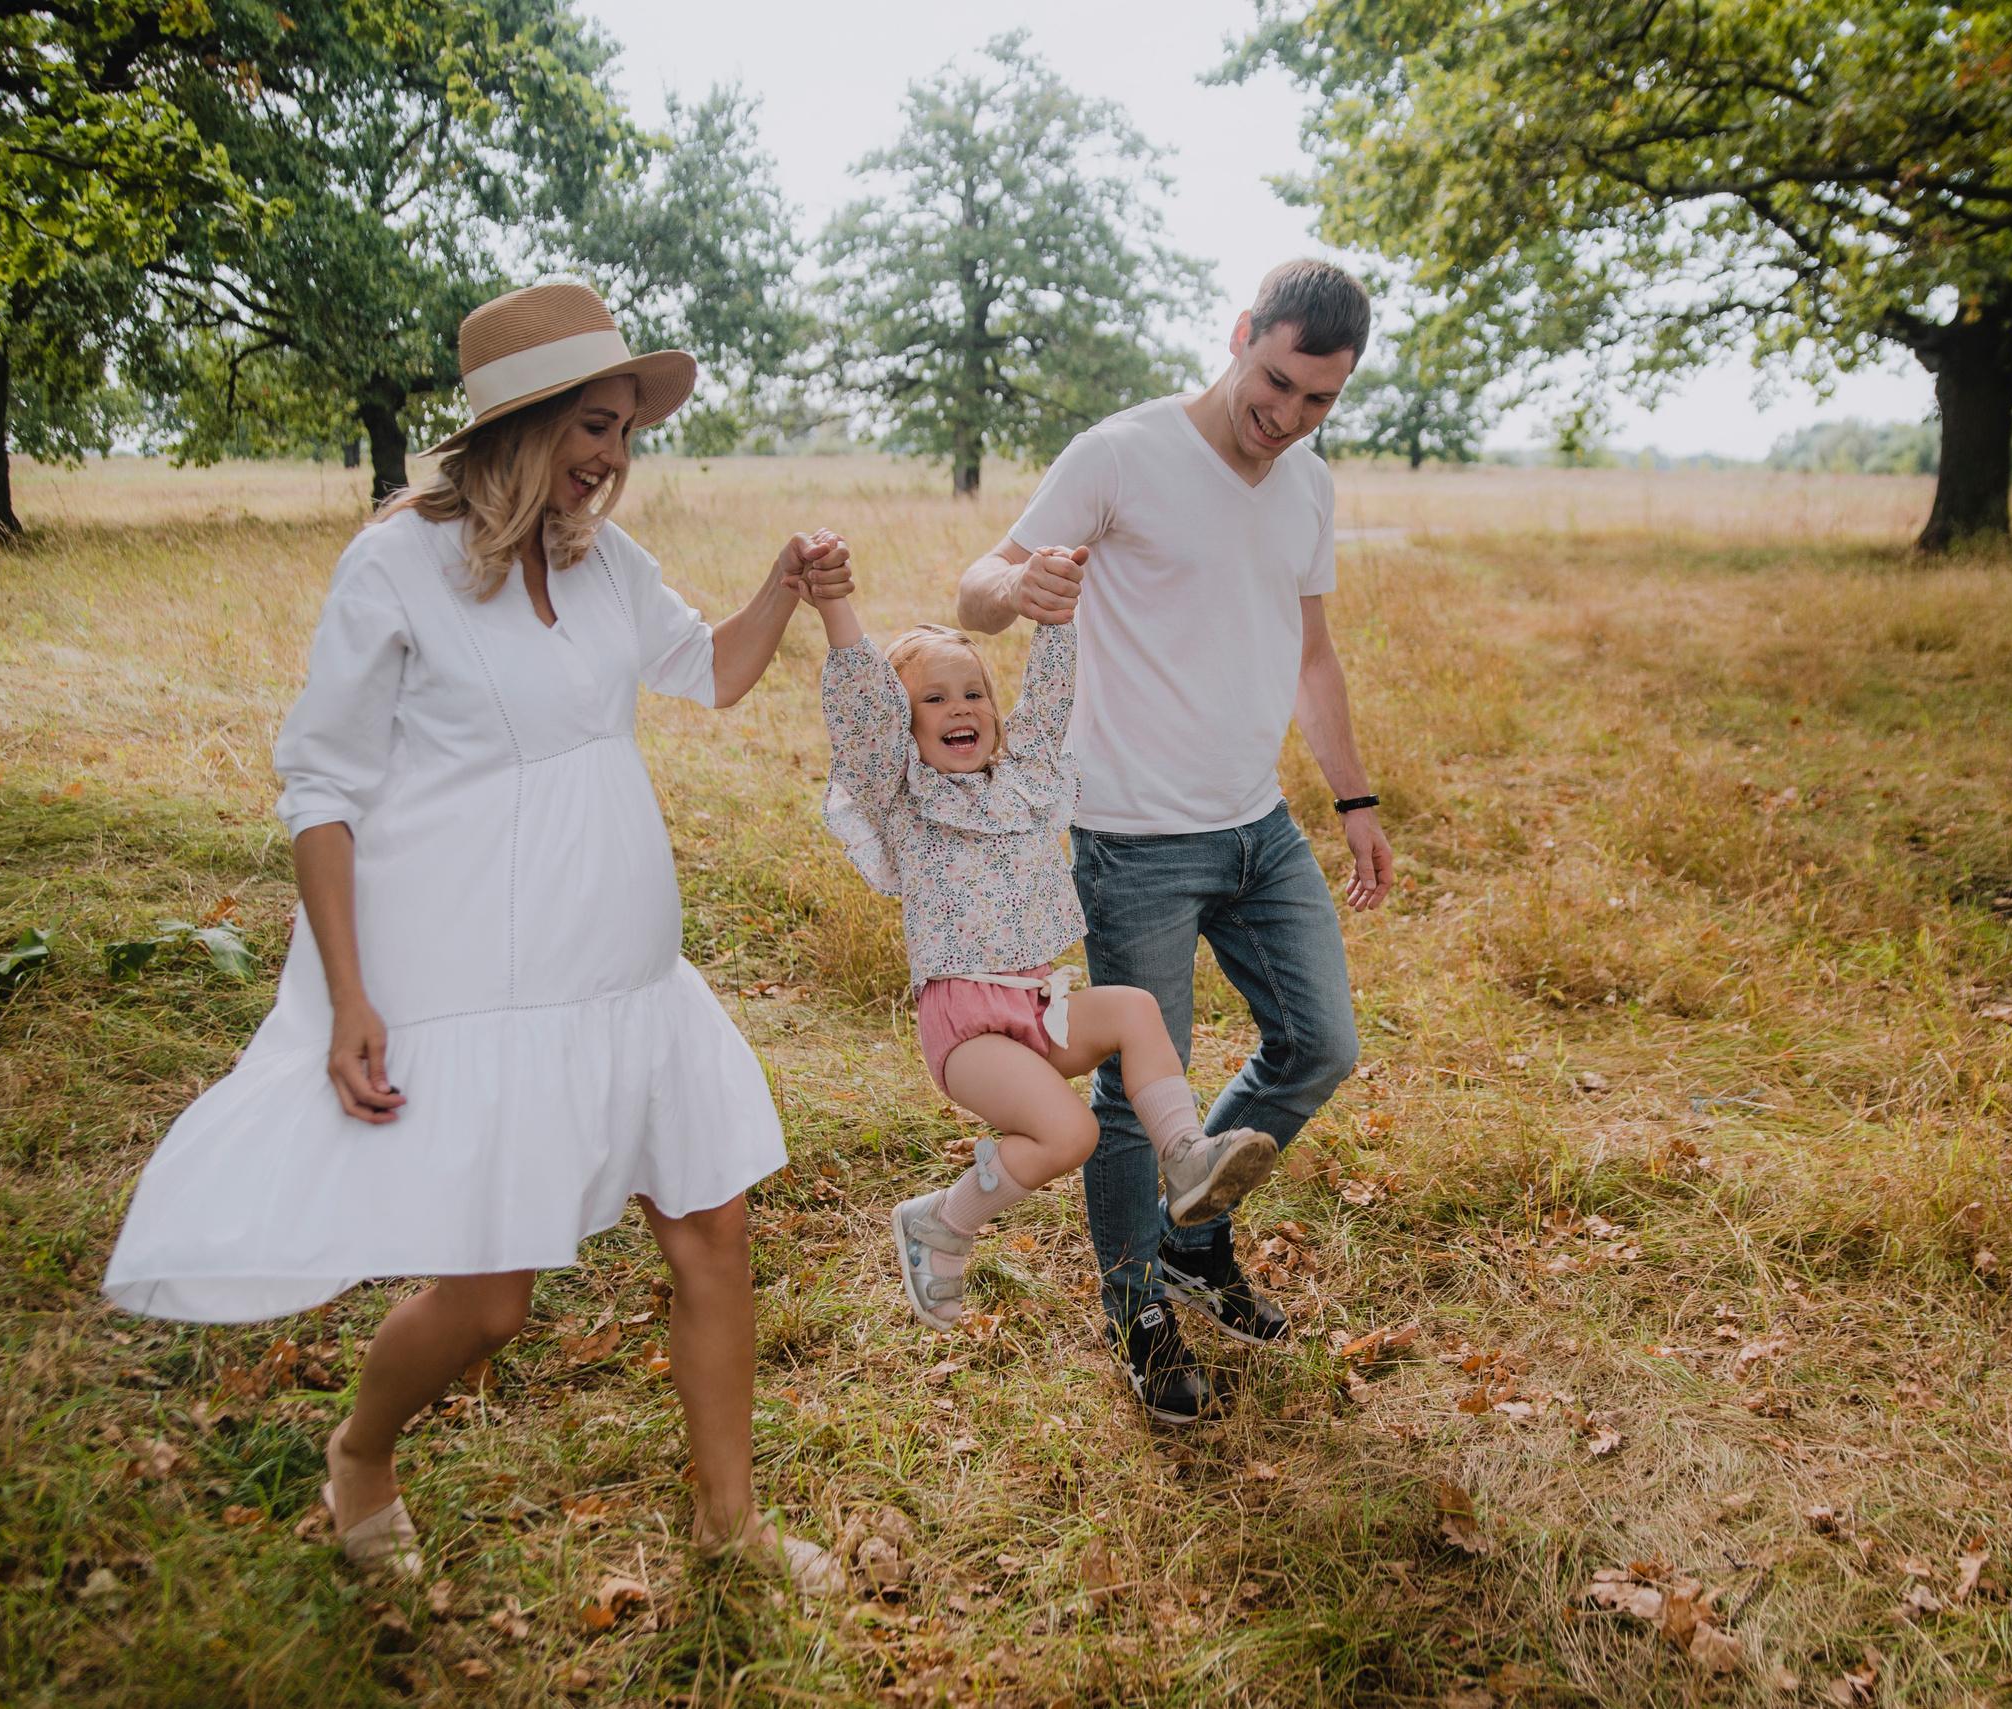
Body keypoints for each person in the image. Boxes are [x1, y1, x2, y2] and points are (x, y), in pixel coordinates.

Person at [103, 281, 849, 1590]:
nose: (612, 457)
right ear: (523, 422)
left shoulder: (603, 559)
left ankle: (729, 1525)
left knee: (712, 1234)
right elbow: (321, 789)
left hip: (630, 968)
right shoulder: (398, 561)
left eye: (625, 431)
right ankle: (359, 1451)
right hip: (488, 977)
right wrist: (348, 995)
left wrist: (783, 587)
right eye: (593, 426)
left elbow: (712, 670)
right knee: (491, 1301)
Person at [956, 260, 1393, 1423]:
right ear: (1243, 333)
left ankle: (1193, 1237)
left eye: (1318, 400)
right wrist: (1021, 587)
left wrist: (1353, 799)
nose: (1287, 416)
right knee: (1132, 1092)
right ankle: (1136, 1301)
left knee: (1319, 1043)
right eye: (1277, 382)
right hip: (1131, 836)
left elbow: (1310, 655)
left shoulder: (1307, 484)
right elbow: (975, 586)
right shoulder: (1123, 453)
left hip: (1258, 824)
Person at [808, 575, 1280, 1338]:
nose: (961, 708)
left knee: (1134, 1010)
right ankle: (942, 1223)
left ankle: (1186, 1157)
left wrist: (1057, 617)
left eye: (974, 693)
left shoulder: (1022, 782)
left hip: (1036, 1002)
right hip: (966, 1022)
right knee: (1071, 1134)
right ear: (901, 723)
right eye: (935, 698)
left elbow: (1051, 698)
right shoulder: (903, 794)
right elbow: (861, 709)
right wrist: (834, 604)